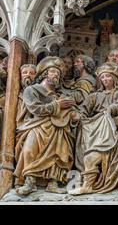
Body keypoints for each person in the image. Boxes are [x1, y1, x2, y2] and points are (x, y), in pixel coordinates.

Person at [15, 56, 79, 195]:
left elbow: (70, 113)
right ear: (44, 73)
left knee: (58, 155)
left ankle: (53, 182)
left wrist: (74, 117)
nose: (55, 74)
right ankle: (29, 182)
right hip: (37, 125)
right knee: (29, 150)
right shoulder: (32, 90)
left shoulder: (60, 95)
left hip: (58, 129)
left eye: (58, 73)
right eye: (52, 71)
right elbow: (35, 109)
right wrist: (57, 105)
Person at [70, 62, 118, 195]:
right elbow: (84, 110)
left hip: (112, 127)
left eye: (108, 76)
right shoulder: (94, 96)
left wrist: (110, 109)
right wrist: (78, 116)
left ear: (115, 78)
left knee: (93, 156)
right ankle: (86, 182)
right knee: (87, 154)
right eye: (102, 77)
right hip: (95, 126)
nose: (105, 80)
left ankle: (89, 184)